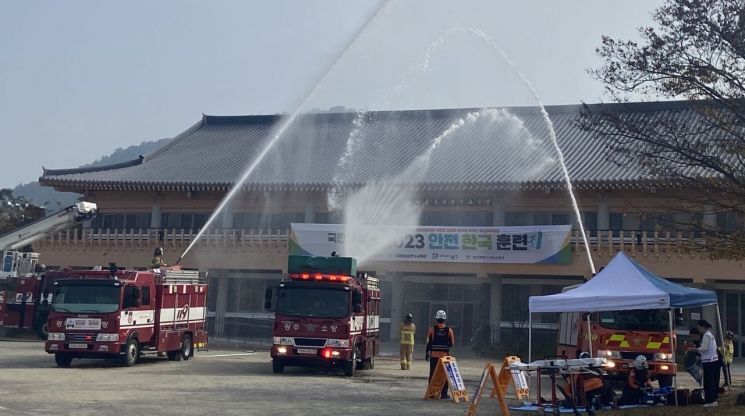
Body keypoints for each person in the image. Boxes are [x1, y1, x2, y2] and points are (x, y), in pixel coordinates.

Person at [688, 319, 719, 407]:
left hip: (709, 361)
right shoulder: (709, 335)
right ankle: (713, 400)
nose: (698, 329)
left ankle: (709, 401)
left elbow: (704, 348)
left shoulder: (706, 335)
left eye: (699, 327)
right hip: (712, 360)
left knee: (708, 382)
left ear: (703, 327)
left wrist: (693, 349)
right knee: (711, 381)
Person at [425, 310, 455, 399]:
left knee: (433, 375)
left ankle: (431, 393)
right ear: (445, 319)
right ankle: (444, 394)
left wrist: (427, 353)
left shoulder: (432, 329)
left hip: (434, 356)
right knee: (444, 375)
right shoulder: (449, 330)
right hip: (444, 357)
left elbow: (428, 342)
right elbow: (452, 343)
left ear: (436, 318)